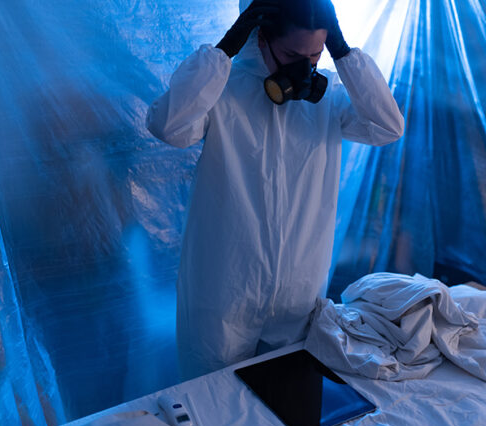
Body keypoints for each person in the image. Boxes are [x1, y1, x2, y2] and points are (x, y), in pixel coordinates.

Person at [146, 0, 404, 380]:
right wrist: (225, 48)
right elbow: (168, 126)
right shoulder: (222, 91)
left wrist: (344, 54)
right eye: (292, 56)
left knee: (287, 396)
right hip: (224, 295)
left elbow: (388, 126)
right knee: (213, 397)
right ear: (261, 40)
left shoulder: (329, 100)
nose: (304, 69)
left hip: (298, 297)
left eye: (315, 56)